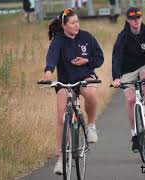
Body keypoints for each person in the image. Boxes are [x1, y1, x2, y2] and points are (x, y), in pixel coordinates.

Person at [40, 8, 104, 175]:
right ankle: (61, 159)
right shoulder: (58, 40)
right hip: (66, 82)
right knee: (62, 117)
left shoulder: (87, 37)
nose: (77, 25)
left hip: (85, 76)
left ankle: (91, 126)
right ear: (64, 25)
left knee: (90, 94)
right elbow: (52, 57)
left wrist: (87, 60)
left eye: (77, 22)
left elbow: (100, 57)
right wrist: (48, 72)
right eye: (73, 23)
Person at [111, 7, 145, 153]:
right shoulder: (122, 37)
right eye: (133, 18)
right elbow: (117, 58)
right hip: (127, 70)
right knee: (131, 99)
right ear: (128, 20)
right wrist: (116, 78)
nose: (136, 21)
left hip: (144, 65)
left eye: (138, 17)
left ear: (141, 18)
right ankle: (134, 135)